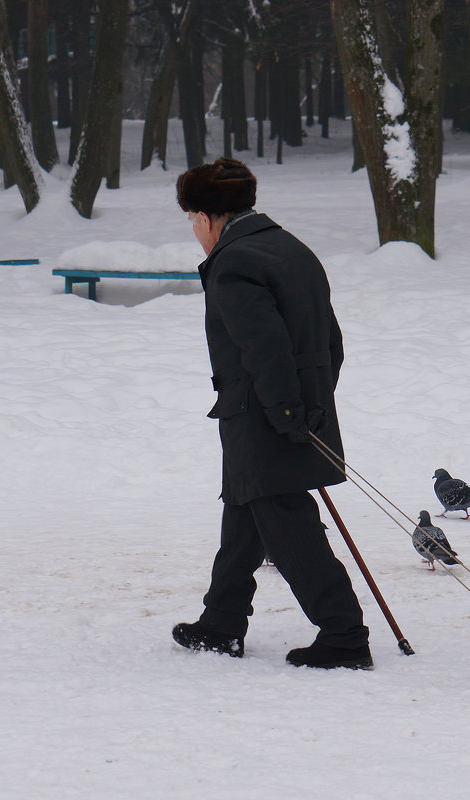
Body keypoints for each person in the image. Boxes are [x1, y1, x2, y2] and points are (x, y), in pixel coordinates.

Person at [171, 158, 372, 670]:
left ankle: (344, 635)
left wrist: (286, 410)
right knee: (245, 514)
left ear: (206, 215)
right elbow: (331, 341)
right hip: (291, 409)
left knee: (289, 527)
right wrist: (311, 402)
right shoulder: (291, 249)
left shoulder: (235, 261)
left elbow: (265, 348)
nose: (194, 230)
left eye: (192, 218)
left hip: (266, 415)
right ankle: (221, 622)